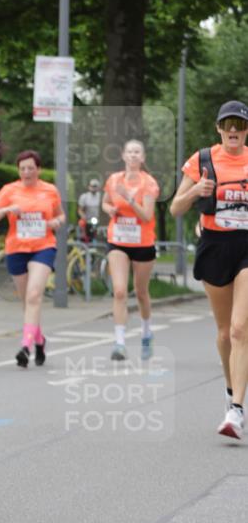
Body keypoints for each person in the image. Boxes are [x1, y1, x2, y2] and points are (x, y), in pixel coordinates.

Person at [170, 100, 248, 441]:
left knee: (239, 329)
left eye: (240, 124)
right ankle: (231, 388)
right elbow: (174, 208)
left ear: (246, 130)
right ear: (219, 128)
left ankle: (236, 411)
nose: (233, 130)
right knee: (222, 332)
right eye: (227, 124)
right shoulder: (201, 160)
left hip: (246, 247)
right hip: (215, 247)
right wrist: (196, 193)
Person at [0, 151, 65, 368]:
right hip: (16, 248)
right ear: (19, 171)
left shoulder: (50, 190)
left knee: (35, 294)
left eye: (31, 168)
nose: (27, 172)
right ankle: (39, 340)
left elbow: (61, 215)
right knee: (26, 301)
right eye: (23, 169)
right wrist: (7, 209)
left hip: (43, 247)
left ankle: (25, 346)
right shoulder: (9, 191)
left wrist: (56, 222)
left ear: (39, 169)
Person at [102, 140, 159, 361]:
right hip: (118, 240)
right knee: (119, 291)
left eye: (137, 152)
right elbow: (105, 202)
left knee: (141, 292)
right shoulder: (114, 180)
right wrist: (110, 209)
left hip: (143, 243)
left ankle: (146, 333)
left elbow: (146, 216)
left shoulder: (149, 183)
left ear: (142, 158)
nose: (133, 156)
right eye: (130, 152)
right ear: (124, 156)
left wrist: (128, 199)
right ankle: (119, 342)